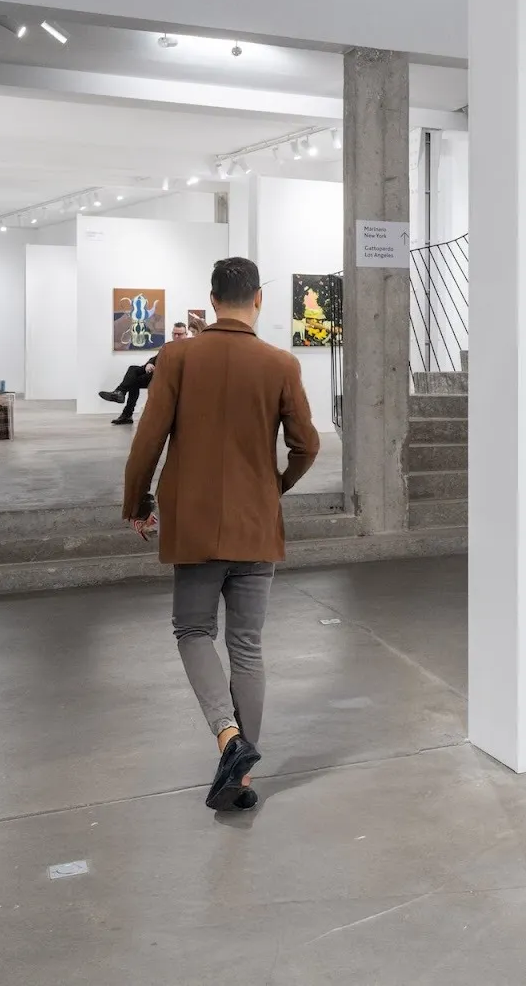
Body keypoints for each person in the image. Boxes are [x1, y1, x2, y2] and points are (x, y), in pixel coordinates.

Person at [122, 259, 320, 810]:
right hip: (256, 524)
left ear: (211, 301)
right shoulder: (281, 363)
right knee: (248, 646)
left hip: (196, 522)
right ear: (259, 299)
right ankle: (241, 778)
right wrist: (273, 488)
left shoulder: (179, 356)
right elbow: (308, 446)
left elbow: (148, 441)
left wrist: (136, 503)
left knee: (191, 630)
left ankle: (228, 738)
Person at [100, 322, 190, 424]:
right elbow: (154, 358)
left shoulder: (189, 349)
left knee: (132, 379)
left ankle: (121, 396)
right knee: (133, 372)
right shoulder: (168, 346)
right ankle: (121, 397)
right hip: (157, 374)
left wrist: (163, 368)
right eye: (174, 334)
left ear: (186, 334)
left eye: (180, 334)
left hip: (168, 377)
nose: (176, 336)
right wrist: (149, 364)